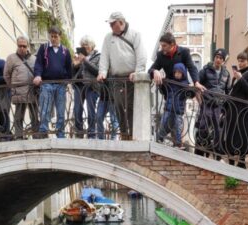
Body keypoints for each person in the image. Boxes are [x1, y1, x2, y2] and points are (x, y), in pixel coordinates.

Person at [98, 12, 147, 140]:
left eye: (113, 23)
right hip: (117, 78)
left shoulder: (135, 34)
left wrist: (138, 72)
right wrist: (102, 72)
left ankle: (132, 134)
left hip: (132, 78)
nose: (110, 26)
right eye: (110, 23)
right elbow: (104, 57)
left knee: (131, 106)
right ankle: (124, 134)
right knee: (118, 105)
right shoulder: (108, 38)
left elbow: (141, 55)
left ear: (121, 22)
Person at [33, 26, 73, 138]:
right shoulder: (44, 48)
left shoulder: (65, 51)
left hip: (60, 85)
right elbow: (38, 64)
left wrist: (68, 80)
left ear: (60, 37)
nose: (54, 39)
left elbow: (69, 67)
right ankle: (43, 131)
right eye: (52, 36)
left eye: (56, 36)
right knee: (45, 108)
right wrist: (37, 75)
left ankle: (60, 133)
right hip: (46, 83)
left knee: (60, 111)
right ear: (49, 36)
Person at [222, 47, 248, 168]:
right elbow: (232, 92)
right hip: (232, 110)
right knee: (231, 134)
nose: (240, 63)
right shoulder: (237, 75)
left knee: (242, 134)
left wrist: (240, 79)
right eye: (238, 61)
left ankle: (242, 162)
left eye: (242, 61)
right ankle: (231, 160)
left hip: (243, 111)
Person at [195, 48, 231, 156]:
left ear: (223, 61)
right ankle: (201, 150)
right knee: (203, 127)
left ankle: (216, 153)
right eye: (217, 57)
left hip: (219, 106)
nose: (218, 60)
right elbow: (196, 86)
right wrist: (200, 102)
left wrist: (225, 108)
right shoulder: (205, 70)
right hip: (206, 104)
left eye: (221, 58)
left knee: (217, 131)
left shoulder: (226, 73)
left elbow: (228, 91)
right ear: (214, 58)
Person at [4, 36, 39, 140]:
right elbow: (6, 75)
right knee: (18, 116)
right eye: (20, 46)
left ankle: (36, 136)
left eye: (24, 46)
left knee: (35, 116)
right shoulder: (11, 58)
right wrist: (13, 87)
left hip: (32, 92)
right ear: (17, 45)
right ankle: (19, 136)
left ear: (27, 46)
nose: (22, 48)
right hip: (18, 92)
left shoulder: (34, 59)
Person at [156, 63, 193, 148]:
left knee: (178, 127)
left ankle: (178, 143)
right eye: (176, 72)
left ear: (183, 74)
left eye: (179, 73)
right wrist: (161, 83)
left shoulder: (185, 85)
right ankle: (159, 138)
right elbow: (163, 89)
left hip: (179, 110)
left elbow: (191, 94)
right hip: (168, 108)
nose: (177, 74)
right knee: (163, 123)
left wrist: (192, 88)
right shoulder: (170, 82)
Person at [73, 36, 101, 138]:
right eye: (82, 46)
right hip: (79, 86)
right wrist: (75, 65)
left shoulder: (98, 56)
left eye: (86, 45)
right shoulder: (79, 57)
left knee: (91, 110)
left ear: (92, 46)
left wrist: (85, 61)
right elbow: (72, 73)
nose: (84, 48)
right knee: (77, 110)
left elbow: (97, 71)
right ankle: (79, 133)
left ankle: (91, 134)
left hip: (92, 86)